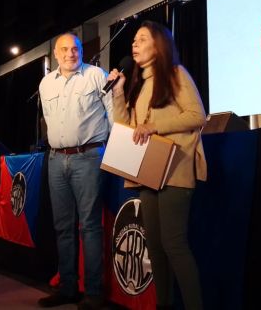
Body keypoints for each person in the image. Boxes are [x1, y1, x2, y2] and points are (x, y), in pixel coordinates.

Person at [108, 20, 207, 310]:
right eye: (134, 41)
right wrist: (119, 91)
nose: (134, 45)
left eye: (141, 39)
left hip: (176, 168)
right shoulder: (139, 84)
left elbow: (197, 115)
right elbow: (125, 128)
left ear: (158, 44)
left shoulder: (176, 74)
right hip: (148, 171)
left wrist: (155, 126)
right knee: (155, 247)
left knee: (174, 244)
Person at [36, 33, 112, 310]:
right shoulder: (45, 83)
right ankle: (67, 289)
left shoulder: (96, 75)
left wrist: (115, 154)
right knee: (63, 228)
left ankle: (94, 293)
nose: (71, 53)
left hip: (89, 157)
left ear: (82, 51)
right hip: (56, 159)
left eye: (75, 48)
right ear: (56, 54)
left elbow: (113, 116)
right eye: (65, 49)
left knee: (90, 227)